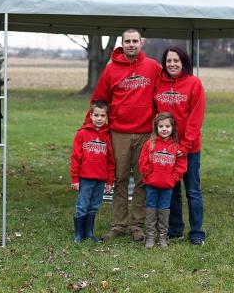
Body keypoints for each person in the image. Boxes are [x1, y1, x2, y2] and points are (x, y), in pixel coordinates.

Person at [89, 29, 162, 242]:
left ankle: (137, 225)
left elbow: (161, 96)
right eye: (127, 41)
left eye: (135, 41)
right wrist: (89, 126)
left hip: (145, 133)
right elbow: (99, 99)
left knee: (142, 180)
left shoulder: (152, 67)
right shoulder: (111, 70)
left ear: (142, 43)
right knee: (119, 178)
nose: (131, 44)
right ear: (121, 44)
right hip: (119, 132)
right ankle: (119, 224)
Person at [154, 46, 206, 245]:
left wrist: (185, 146)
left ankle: (197, 232)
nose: (172, 64)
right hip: (167, 148)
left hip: (189, 149)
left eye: (176, 60)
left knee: (192, 190)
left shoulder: (194, 84)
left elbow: (196, 118)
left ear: (183, 62)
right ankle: (175, 229)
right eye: (168, 61)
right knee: (172, 190)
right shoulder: (159, 84)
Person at [139, 112, 187, 249]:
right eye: (161, 126)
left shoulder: (175, 147)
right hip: (152, 184)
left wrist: (173, 179)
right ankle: (150, 236)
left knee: (164, 209)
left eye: (167, 126)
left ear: (172, 128)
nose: (164, 129)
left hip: (167, 186)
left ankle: (162, 236)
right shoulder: (150, 144)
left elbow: (181, 166)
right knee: (151, 208)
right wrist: (149, 174)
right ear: (156, 128)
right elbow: (143, 161)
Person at [70, 101, 115, 243]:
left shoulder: (108, 135)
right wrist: (75, 179)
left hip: (101, 179)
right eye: (96, 115)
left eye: (102, 115)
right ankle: (78, 234)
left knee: (94, 205)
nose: (99, 118)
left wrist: (110, 180)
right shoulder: (82, 133)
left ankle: (89, 232)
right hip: (85, 178)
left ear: (107, 117)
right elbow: (76, 157)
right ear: (91, 115)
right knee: (82, 205)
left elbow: (111, 160)